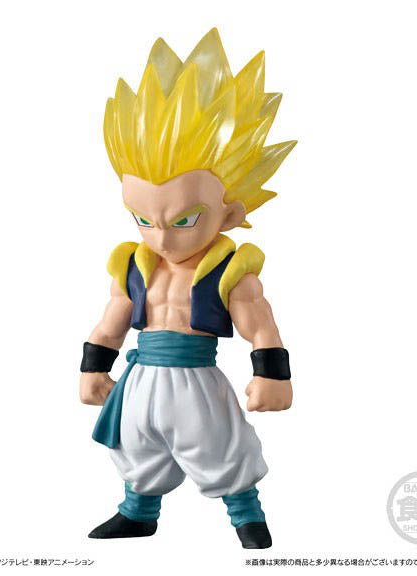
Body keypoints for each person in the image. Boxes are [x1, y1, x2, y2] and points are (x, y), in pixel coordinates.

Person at [79, 28, 296, 549]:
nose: (160, 236)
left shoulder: (231, 270)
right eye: (143, 218)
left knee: (219, 446)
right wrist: (93, 367)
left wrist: (272, 375)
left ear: (230, 213)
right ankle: (137, 513)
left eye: (184, 219)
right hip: (142, 377)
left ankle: (247, 515)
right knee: (135, 447)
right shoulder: (133, 264)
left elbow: (260, 324)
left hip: (197, 377)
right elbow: (112, 320)